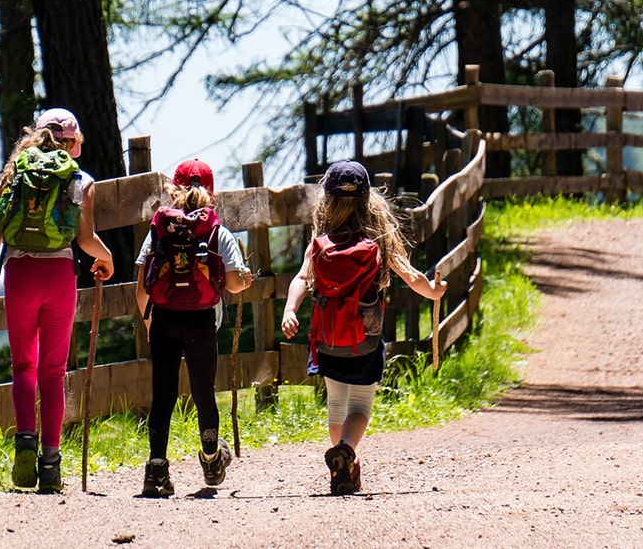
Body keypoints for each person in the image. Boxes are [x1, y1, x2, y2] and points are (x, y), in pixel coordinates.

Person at [281, 159, 446, 495]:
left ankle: (344, 461)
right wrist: (433, 290)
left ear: (325, 200)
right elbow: (409, 275)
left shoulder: (320, 241)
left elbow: (301, 278)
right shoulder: (378, 239)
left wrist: (290, 309)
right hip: (365, 341)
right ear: (368, 199)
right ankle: (346, 451)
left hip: (327, 340)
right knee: (360, 406)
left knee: (336, 403)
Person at [0, 108, 114, 493]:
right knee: (53, 372)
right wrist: (107, 258)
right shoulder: (80, 180)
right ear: (74, 143)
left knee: (23, 367)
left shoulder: (14, 173)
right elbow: (84, 240)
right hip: (58, 277)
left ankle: (24, 442)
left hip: (19, 274)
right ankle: (50, 463)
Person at [135, 159, 252, 497]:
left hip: (164, 318)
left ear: (174, 189)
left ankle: (156, 470)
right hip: (201, 320)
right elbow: (231, 283)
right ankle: (212, 460)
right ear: (211, 192)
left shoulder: (159, 229)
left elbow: (143, 284)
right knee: (203, 393)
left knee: (163, 395)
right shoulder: (217, 231)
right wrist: (245, 279)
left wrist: (148, 320)